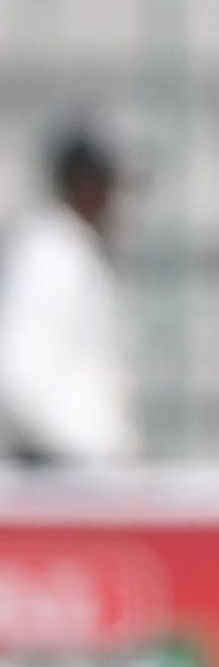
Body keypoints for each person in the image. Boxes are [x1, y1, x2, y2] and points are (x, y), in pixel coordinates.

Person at [0, 128, 139, 467]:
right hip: (62, 473)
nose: (117, 200)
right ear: (85, 184)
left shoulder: (70, 253)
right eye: (110, 184)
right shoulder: (50, 258)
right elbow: (18, 373)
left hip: (77, 469)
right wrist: (90, 449)